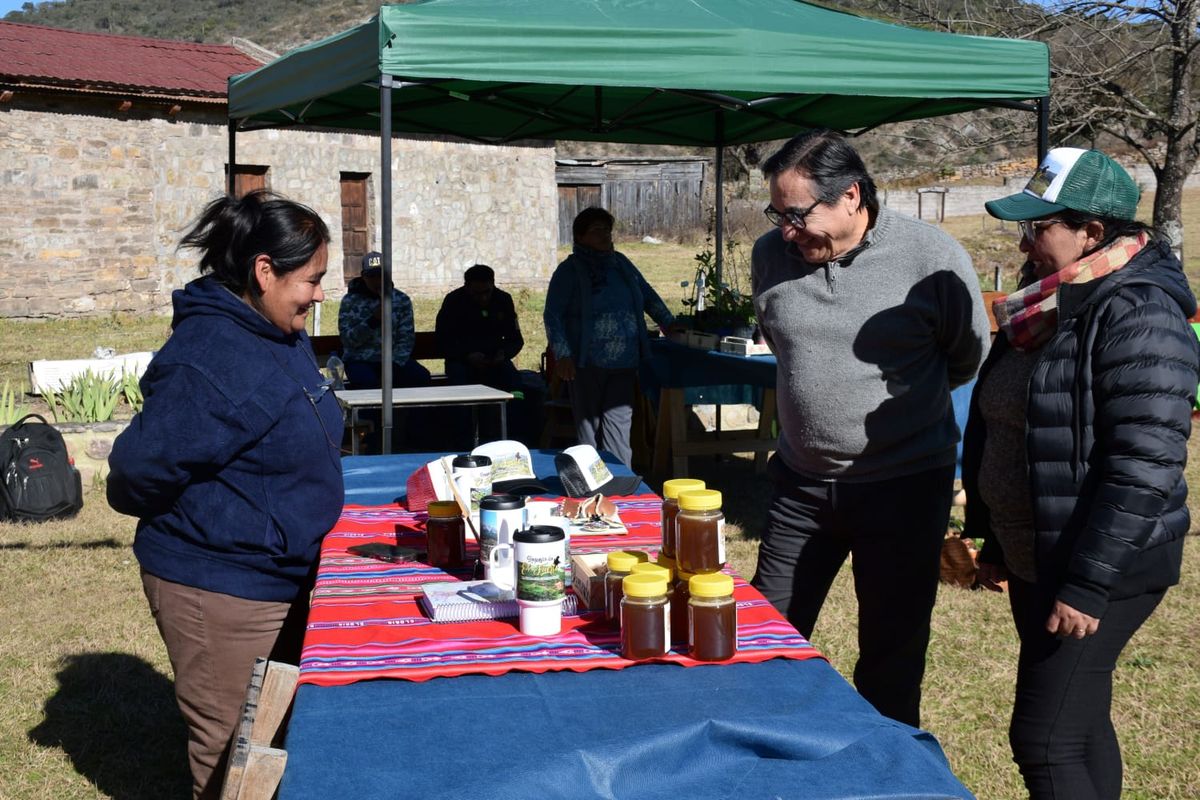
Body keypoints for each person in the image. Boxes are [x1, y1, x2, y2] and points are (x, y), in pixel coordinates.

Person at [962, 148, 1197, 799]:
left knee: (1043, 739)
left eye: (1039, 227)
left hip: (1099, 562)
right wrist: (993, 538)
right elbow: (1009, 428)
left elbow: (1145, 464)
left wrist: (1089, 582)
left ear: (1092, 231)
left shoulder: (1137, 312)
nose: (1024, 241)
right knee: (1078, 721)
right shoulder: (1051, 307)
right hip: (1042, 551)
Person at [106, 190, 344, 799]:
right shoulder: (211, 359)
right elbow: (134, 474)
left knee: (274, 732)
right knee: (230, 751)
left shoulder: (272, 330)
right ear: (265, 271)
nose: (320, 294)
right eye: (312, 280)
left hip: (271, 572)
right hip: (220, 585)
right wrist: (227, 518)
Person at [748, 130, 990, 728]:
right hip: (800, 487)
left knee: (891, 649)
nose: (786, 231)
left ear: (852, 196)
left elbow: (966, 354)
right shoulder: (769, 257)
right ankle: (760, 749)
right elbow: (785, 346)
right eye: (777, 214)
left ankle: (886, 773)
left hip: (904, 486)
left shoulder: (930, 257)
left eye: (798, 214)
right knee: (762, 634)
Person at [543, 206, 676, 468]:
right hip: (586, 362)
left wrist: (669, 323)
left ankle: (620, 481)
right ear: (580, 237)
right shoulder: (569, 271)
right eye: (597, 231)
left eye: (607, 230)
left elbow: (647, 294)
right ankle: (588, 482)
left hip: (625, 361)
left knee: (619, 425)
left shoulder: (622, 264)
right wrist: (563, 354)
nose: (606, 236)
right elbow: (553, 314)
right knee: (588, 427)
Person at [338, 250, 431, 389]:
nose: (377, 281)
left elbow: (406, 339)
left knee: (420, 377)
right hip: (360, 360)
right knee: (369, 385)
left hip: (394, 361)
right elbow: (348, 340)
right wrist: (373, 320)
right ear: (363, 277)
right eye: (372, 276)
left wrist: (393, 367)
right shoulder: (350, 301)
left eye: (381, 275)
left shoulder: (401, 300)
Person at [435, 263, 523, 391]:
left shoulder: (503, 300)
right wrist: (466, 355)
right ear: (466, 287)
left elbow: (515, 339)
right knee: (458, 387)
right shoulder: (454, 301)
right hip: (461, 360)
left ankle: (514, 410)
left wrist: (504, 354)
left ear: (493, 283)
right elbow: (442, 339)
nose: (483, 298)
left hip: (495, 360)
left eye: (487, 292)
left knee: (515, 386)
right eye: (476, 293)